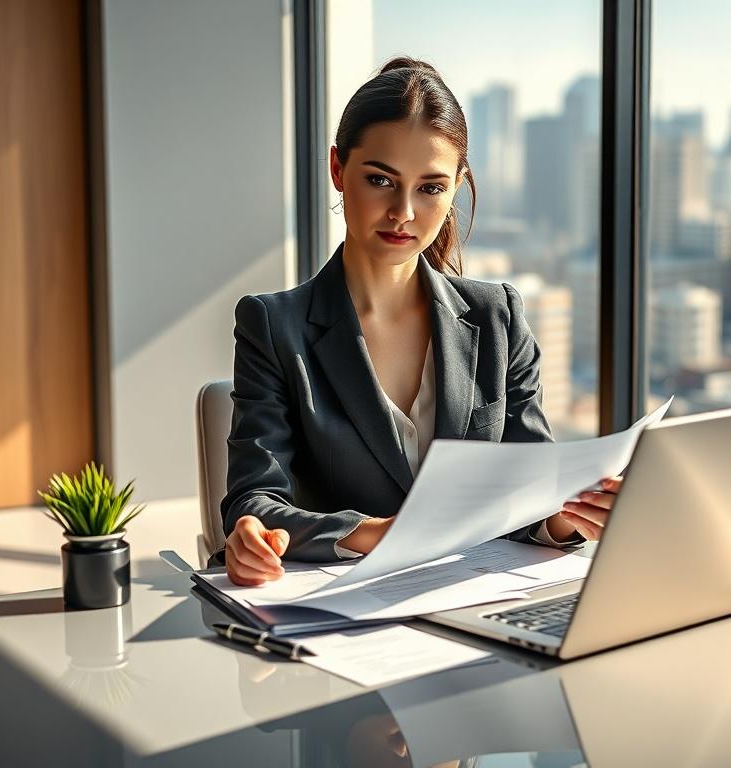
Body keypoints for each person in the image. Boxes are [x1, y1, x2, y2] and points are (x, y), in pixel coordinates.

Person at [221, 57, 619, 586]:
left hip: (474, 600)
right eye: (381, 179)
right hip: (342, 611)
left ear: (457, 187)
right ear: (339, 170)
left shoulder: (497, 317)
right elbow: (255, 499)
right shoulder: (274, 325)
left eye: (430, 187)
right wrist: (377, 533)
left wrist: (564, 518)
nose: (403, 212)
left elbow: (530, 488)